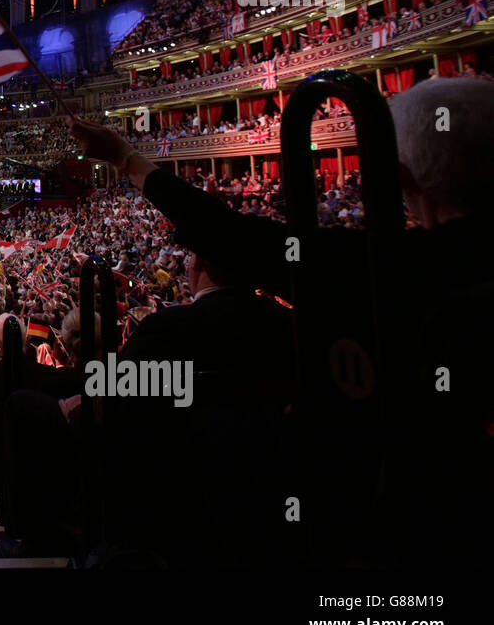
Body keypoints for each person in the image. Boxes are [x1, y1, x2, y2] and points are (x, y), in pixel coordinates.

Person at [68, 77, 494, 566]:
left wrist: (126, 158)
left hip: (393, 530)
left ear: (401, 177)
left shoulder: (387, 267)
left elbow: (234, 235)